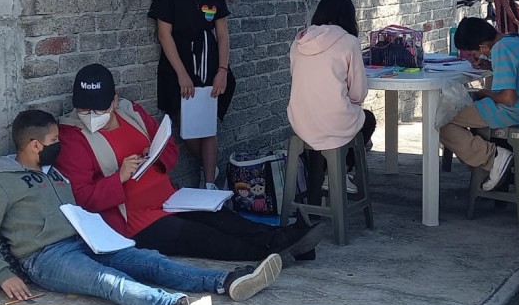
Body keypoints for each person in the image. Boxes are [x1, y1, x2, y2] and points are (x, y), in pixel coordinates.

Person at [0, 110, 282, 305]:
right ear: (35, 145)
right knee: (107, 280)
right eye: (54, 141)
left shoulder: (54, 174)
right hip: (45, 257)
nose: (59, 145)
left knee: (148, 261)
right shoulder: (2, 181)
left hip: (84, 239)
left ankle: (224, 281)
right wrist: (3, 274)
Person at [58, 64, 323, 263]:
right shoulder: (73, 138)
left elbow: (168, 148)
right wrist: (120, 177)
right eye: (83, 111)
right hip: (136, 221)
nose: (91, 117)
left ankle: (285, 239)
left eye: (99, 110)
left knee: (224, 219)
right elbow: (82, 198)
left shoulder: (132, 113)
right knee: (203, 239)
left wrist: (156, 154)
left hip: (170, 199)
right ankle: (282, 251)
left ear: (114, 101)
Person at [148, 0, 234, 189]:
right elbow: (164, 35)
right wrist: (182, 75)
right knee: (188, 129)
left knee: (208, 125)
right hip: (179, 67)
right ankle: (209, 165)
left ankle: (209, 182)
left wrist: (223, 70)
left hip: (210, 66)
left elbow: (223, 33)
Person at [287, 0, 377, 205]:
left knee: (323, 131)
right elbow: (358, 93)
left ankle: (324, 180)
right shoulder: (349, 42)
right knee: (368, 119)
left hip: (300, 121)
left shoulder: (299, 41)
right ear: (348, 16)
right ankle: (341, 171)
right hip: (333, 121)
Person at [439, 17, 519, 191]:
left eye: (474, 54)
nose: (475, 57)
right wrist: (488, 65)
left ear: (483, 46)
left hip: (510, 111)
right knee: (455, 113)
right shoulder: (515, 39)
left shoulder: (500, 50)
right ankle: (484, 159)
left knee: (440, 122)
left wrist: (484, 93)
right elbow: (517, 70)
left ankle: (492, 158)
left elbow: (508, 98)